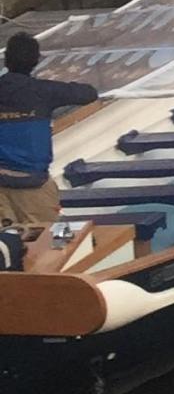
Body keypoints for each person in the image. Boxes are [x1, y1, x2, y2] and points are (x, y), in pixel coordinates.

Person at [0, 30, 99, 262]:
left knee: (8, 239)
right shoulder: (44, 91)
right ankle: (71, 271)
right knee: (58, 237)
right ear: (36, 61)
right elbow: (88, 94)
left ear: (6, 61)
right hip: (33, 183)